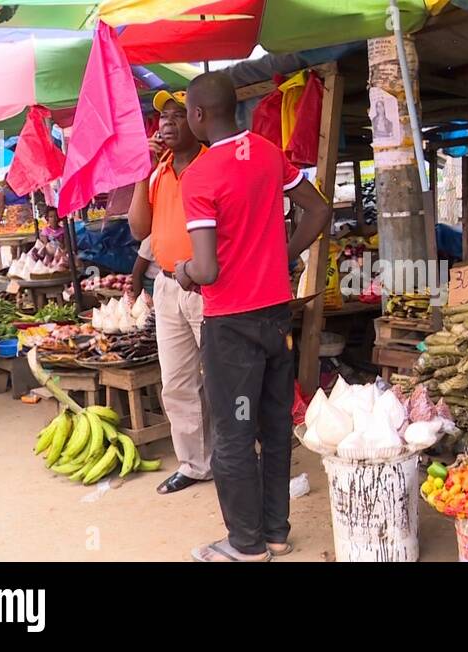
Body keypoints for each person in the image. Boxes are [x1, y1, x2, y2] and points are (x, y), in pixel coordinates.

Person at [177, 72, 331, 562]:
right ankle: (276, 534)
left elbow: (207, 268)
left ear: (198, 115)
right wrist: (282, 255)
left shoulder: (199, 175)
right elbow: (319, 212)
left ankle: (244, 544)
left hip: (231, 328)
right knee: (274, 424)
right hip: (275, 319)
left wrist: (182, 271)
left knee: (234, 434)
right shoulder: (267, 152)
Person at [128, 90, 212, 495]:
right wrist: (143, 170)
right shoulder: (158, 172)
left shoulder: (210, 164)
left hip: (206, 283)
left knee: (220, 377)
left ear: (197, 119)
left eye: (178, 115)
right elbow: (138, 229)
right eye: (163, 116)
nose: (167, 123)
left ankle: (236, 457)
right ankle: (195, 464)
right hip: (166, 285)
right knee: (177, 381)